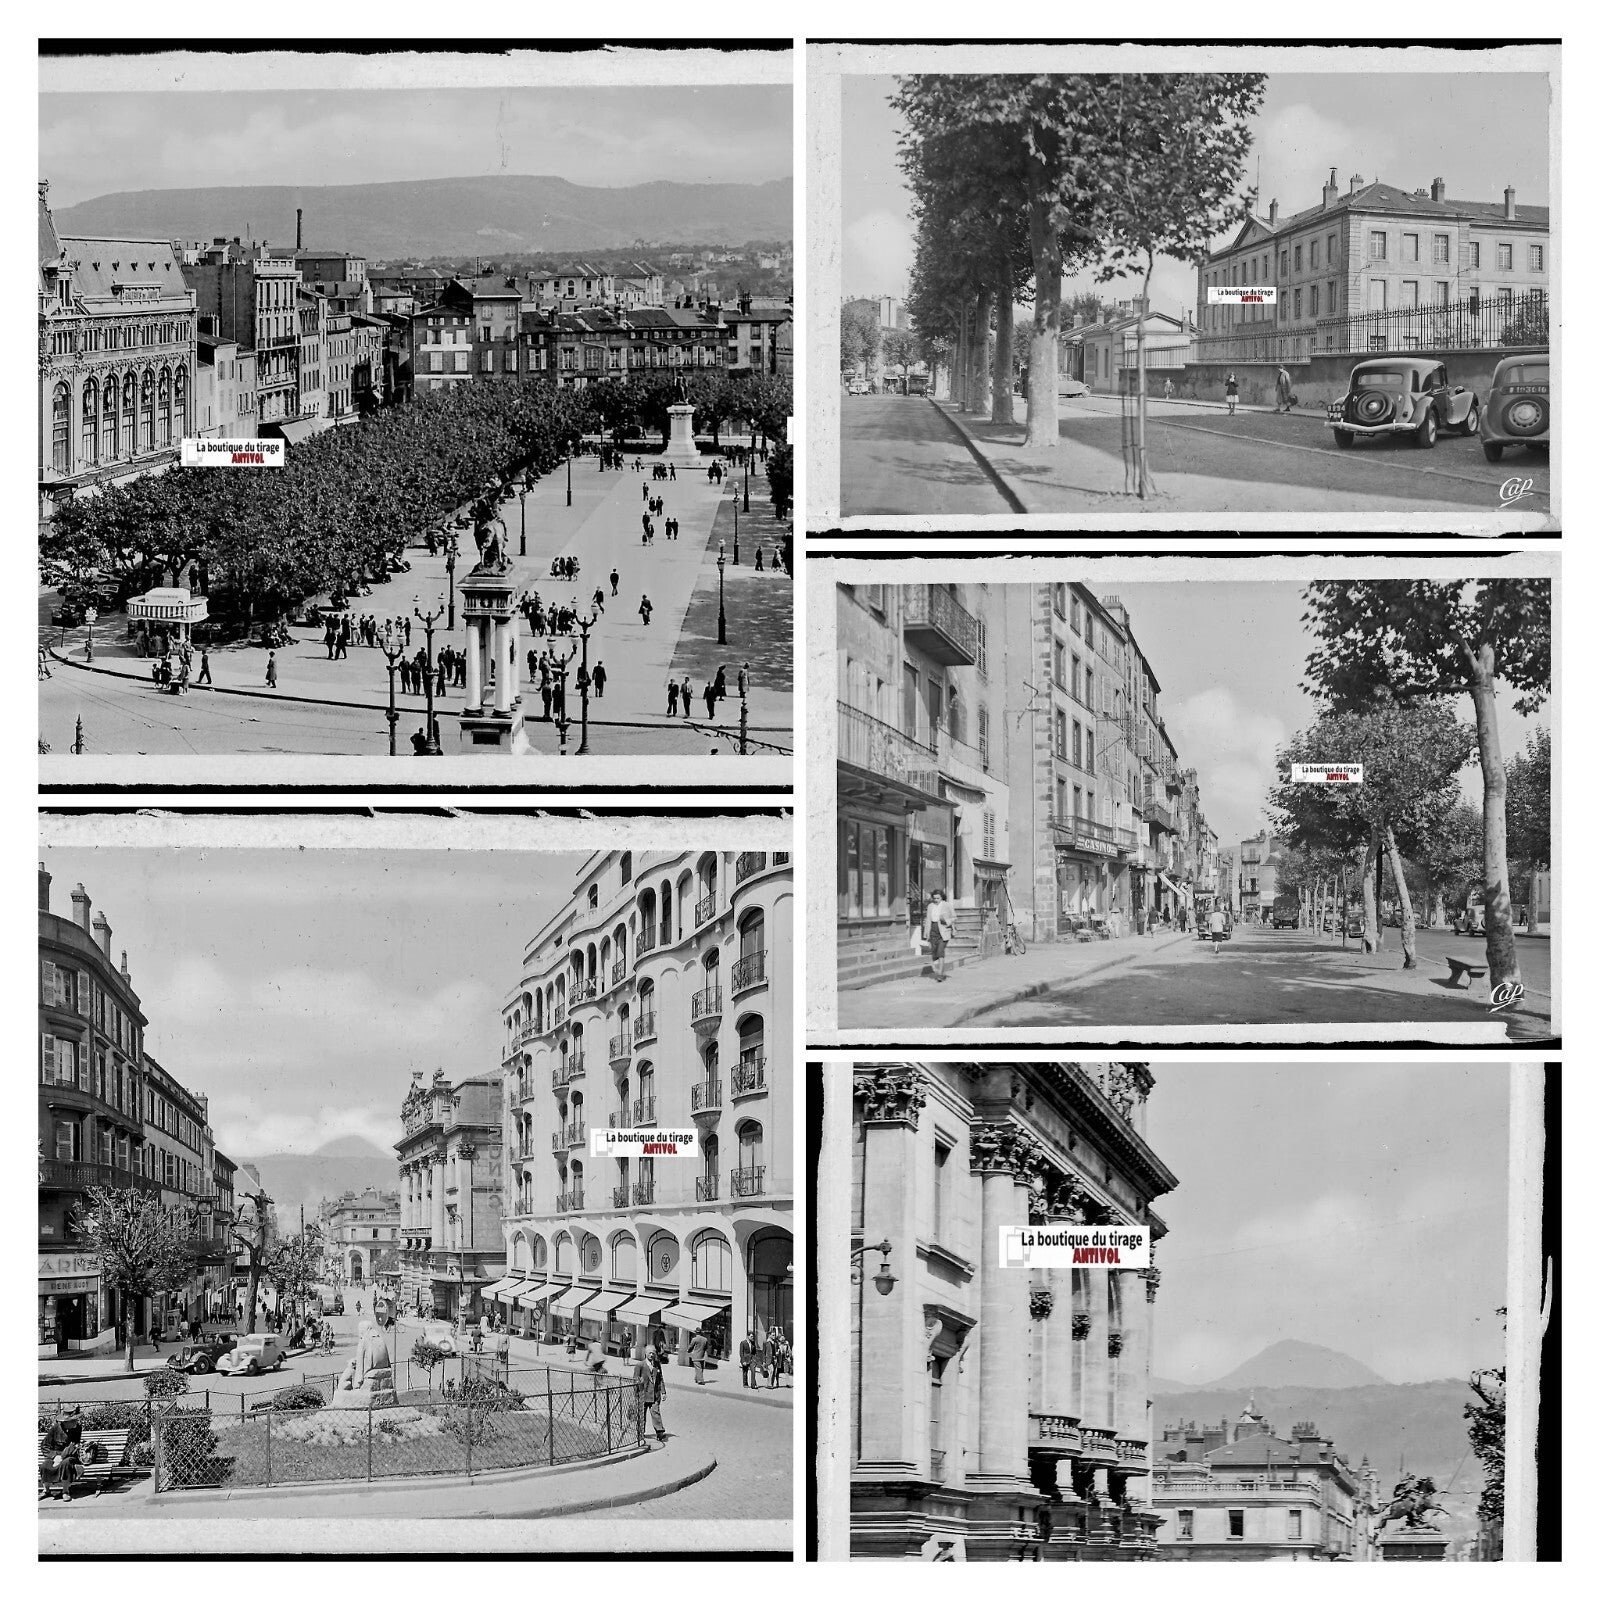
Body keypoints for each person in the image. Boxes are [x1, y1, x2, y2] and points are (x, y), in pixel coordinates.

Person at [926, 889, 953, 982]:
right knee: (935, 953)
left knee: (940, 951)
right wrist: (927, 933)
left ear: (942, 897)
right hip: (933, 930)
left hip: (943, 930)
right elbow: (928, 920)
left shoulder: (946, 905)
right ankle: (942, 972)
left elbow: (954, 917)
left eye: (938, 898)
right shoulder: (930, 906)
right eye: (934, 898)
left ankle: (940, 974)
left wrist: (947, 921)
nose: (936, 900)